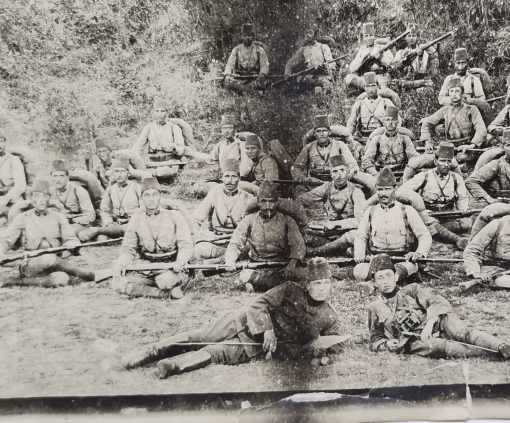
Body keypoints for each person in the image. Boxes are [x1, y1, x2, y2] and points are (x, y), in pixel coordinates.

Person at [119, 258, 343, 379]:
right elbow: (258, 303)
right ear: (307, 284)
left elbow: (334, 344)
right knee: (197, 336)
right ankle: (151, 351)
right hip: (240, 321)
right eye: (317, 283)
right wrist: (268, 329)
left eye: (326, 283)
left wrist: (322, 355)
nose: (322, 289)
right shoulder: (289, 289)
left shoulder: (329, 315)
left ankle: (172, 366)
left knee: (215, 353)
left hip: (253, 346)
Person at [367, 254, 510, 359]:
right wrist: (387, 344)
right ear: (374, 282)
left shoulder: (412, 290)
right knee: (439, 346)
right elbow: (375, 339)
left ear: (396, 276)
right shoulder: (374, 307)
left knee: (462, 332)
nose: (385, 281)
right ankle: (493, 354)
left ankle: (500, 346)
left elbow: (438, 301)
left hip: (437, 321)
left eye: (388, 275)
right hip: (414, 340)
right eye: (380, 278)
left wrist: (431, 322)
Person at [0, 179, 94, 288]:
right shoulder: (22, 217)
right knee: (47, 258)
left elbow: (71, 238)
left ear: (49, 199)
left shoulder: (58, 217)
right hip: (30, 264)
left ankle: (17, 281)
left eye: (45, 196)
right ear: (32, 198)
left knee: (62, 279)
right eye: (37, 196)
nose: (41, 200)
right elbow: (4, 241)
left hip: (55, 262)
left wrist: (72, 243)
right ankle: (85, 274)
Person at [109, 177, 194, 299]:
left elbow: (186, 245)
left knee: (163, 282)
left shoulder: (174, 216)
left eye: (155, 195)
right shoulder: (137, 217)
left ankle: (160, 286)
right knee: (117, 284)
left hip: (170, 267)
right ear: (141, 198)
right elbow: (128, 249)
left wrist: (180, 261)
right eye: (147, 195)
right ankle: (163, 294)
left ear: (160, 196)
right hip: (146, 269)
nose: (151, 199)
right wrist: (121, 263)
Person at [226, 181, 306, 293]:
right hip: (257, 266)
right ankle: (277, 285)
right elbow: (235, 243)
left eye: (271, 202)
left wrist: (292, 264)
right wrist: (230, 260)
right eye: (264, 201)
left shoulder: (287, 220)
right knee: (244, 274)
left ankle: (259, 283)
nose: (268, 206)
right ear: (258, 201)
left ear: (277, 202)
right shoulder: (249, 220)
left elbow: (298, 244)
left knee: (304, 274)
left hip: (280, 266)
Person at [353, 168, 432, 283]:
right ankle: (387, 279)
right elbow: (361, 235)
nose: (383, 194)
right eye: (380, 190)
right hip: (376, 258)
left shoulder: (407, 210)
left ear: (395, 190)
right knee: (359, 271)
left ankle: (379, 281)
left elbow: (424, 235)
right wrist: (359, 253)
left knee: (402, 269)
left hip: (402, 259)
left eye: (387, 189)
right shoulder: (370, 211)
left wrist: (419, 253)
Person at [402, 142, 471, 247]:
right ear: (435, 162)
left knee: (467, 223)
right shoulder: (423, 177)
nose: (446, 164)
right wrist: (419, 208)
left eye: (449, 161)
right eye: (442, 161)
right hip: (430, 214)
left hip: (449, 214)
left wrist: (463, 208)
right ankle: (457, 240)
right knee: (429, 221)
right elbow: (403, 191)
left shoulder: (457, 178)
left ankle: (435, 230)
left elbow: (462, 197)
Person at [191, 159, 257, 261]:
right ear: (222, 178)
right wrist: (193, 236)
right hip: (217, 241)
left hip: (239, 242)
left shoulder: (248, 198)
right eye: (226, 176)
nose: (229, 180)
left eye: (233, 176)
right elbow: (195, 220)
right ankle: (231, 257)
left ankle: (221, 259)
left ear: (239, 178)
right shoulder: (214, 195)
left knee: (253, 247)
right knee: (200, 249)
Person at [302, 155, 367, 257]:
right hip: (329, 232)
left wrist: (336, 223)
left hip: (347, 232)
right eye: (335, 171)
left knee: (354, 236)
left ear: (348, 171)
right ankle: (338, 249)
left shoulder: (356, 191)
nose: (339, 175)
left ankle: (317, 251)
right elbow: (303, 199)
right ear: (331, 174)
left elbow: (360, 221)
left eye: (342, 170)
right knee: (302, 234)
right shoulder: (327, 187)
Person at [420, 77, 487, 171]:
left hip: (466, 149)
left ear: (462, 93)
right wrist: (428, 142)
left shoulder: (471, 109)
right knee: (429, 159)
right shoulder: (445, 110)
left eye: (457, 91)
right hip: (449, 147)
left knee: (461, 158)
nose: (454, 94)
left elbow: (481, 129)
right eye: (451, 91)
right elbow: (427, 122)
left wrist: (472, 145)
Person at [79, 157, 142, 242]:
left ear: (129, 173)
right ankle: (112, 232)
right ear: (113, 173)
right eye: (116, 171)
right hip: (117, 223)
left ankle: (99, 230)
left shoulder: (136, 188)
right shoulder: (110, 189)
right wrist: (109, 223)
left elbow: (143, 210)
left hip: (134, 223)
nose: (119, 175)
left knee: (130, 230)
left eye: (122, 171)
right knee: (102, 239)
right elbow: (105, 210)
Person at [292, 115, 359, 190]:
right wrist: (302, 177)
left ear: (329, 132)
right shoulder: (309, 147)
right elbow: (295, 167)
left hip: (336, 185)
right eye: (318, 131)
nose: (321, 134)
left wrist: (344, 178)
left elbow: (353, 166)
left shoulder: (339, 145)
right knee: (299, 191)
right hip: (314, 186)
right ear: (314, 133)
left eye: (324, 130)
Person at [192, 114, 252, 197]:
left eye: (230, 128)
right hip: (224, 179)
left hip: (238, 180)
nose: (227, 131)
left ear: (235, 129)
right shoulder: (221, 145)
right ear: (221, 130)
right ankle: (222, 193)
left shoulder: (241, 145)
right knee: (198, 186)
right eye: (224, 128)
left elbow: (245, 171)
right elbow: (211, 159)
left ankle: (227, 194)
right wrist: (191, 154)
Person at [132, 98, 192, 179]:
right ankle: (152, 174)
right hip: (152, 163)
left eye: (162, 111)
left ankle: (156, 175)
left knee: (162, 173)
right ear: (153, 112)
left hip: (170, 163)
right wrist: (131, 157)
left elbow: (181, 149)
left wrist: (174, 147)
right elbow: (138, 146)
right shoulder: (149, 127)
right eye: (157, 111)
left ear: (167, 112)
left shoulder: (174, 128)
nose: (159, 114)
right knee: (138, 173)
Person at [360, 105, 418, 175]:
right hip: (380, 174)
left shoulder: (405, 139)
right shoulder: (377, 139)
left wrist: (407, 174)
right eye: (387, 120)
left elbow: (414, 158)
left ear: (397, 122)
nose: (390, 122)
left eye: (393, 119)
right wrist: (375, 175)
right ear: (384, 122)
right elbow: (366, 160)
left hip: (401, 173)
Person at [47, 159, 96, 237]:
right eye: (55, 176)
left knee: (67, 232)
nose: (58, 179)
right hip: (59, 224)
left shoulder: (78, 190)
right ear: (51, 177)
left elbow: (90, 216)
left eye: (62, 176)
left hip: (79, 224)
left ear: (67, 177)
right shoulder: (50, 192)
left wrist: (71, 219)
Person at [345, 22, 394, 92]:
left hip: (379, 77)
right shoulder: (362, 49)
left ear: (374, 36)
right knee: (349, 77)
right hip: (365, 78)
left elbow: (391, 63)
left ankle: (373, 90)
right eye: (366, 36)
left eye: (371, 35)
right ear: (364, 37)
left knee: (382, 93)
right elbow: (352, 68)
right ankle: (367, 89)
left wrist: (380, 57)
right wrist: (361, 59)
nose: (369, 38)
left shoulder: (382, 47)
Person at [346, 72, 397, 138]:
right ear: (364, 87)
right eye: (368, 86)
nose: (370, 89)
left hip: (381, 138)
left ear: (377, 86)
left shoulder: (385, 102)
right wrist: (347, 137)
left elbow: (396, 121)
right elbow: (351, 124)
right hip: (364, 139)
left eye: (373, 86)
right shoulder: (359, 104)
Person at [389, 23, 437, 92]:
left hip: (418, 84)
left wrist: (420, 56)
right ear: (405, 37)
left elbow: (420, 71)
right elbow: (394, 69)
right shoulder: (400, 52)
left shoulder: (423, 53)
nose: (411, 38)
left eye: (414, 36)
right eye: (409, 36)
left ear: (417, 37)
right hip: (403, 84)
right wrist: (403, 57)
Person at [223, 23, 269, 93]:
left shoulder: (259, 50)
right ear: (241, 36)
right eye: (245, 36)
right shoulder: (236, 50)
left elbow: (265, 65)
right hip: (239, 79)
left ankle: (241, 90)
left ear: (252, 36)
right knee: (228, 82)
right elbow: (230, 65)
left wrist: (262, 74)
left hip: (255, 80)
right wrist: (227, 75)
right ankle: (253, 92)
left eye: (249, 35)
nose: (247, 38)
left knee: (262, 81)